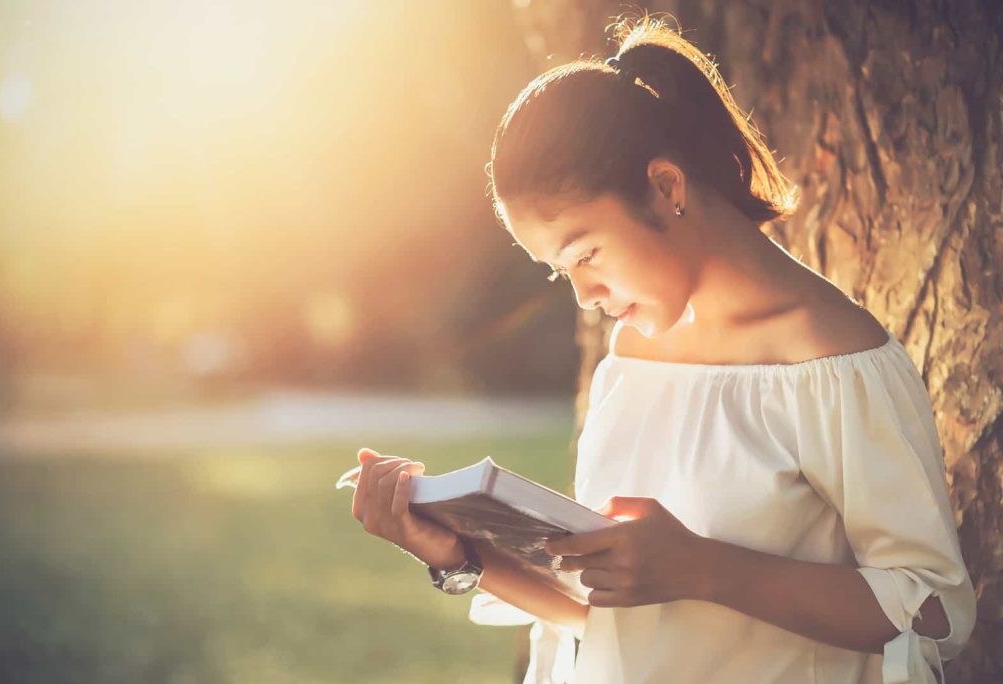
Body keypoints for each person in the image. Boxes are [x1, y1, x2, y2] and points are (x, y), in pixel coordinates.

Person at [348, 13, 977, 684]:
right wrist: (456, 554)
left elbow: (935, 610)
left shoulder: (832, 362)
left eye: (585, 253)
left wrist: (702, 568)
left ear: (666, 187)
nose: (584, 294)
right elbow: (605, 618)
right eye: (562, 272)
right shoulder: (633, 356)